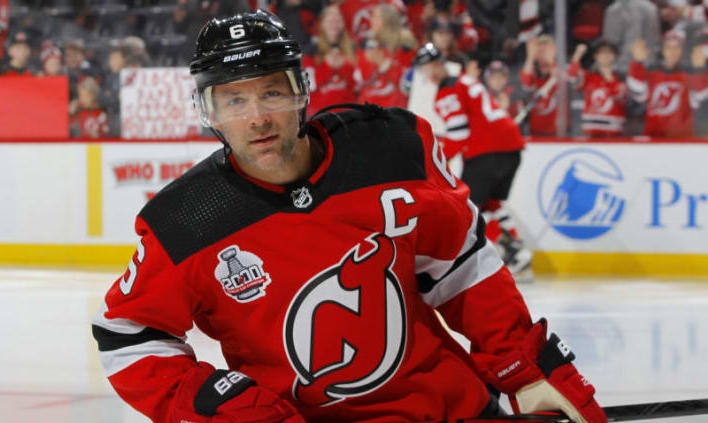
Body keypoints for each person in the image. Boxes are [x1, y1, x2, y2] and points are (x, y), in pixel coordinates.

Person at [92, 9, 606, 423]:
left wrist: (525, 368)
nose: (257, 118)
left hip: (452, 411)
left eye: (272, 91)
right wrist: (217, 403)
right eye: (233, 100)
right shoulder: (187, 219)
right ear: (210, 112)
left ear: (300, 92)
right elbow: (127, 335)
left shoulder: (390, 150)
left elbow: (463, 266)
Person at [422, 43, 532, 280]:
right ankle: (519, 253)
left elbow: (459, 134)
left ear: (440, 64)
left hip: (487, 150)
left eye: (430, 66)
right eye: (424, 68)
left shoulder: (447, 91)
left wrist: (435, 160)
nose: (428, 72)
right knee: (490, 204)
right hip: (511, 147)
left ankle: (511, 252)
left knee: (469, 206)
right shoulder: (463, 81)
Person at [627, 30, 708, 138]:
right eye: (669, 47)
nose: (673, 52)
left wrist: (699, 70)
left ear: (683, 50)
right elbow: (637, 93)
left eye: (677, 47)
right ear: (663, 50)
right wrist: (637, 63)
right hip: (653, 138)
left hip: (681, 140)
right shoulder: (651, 73)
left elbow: (701, 97)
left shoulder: (689, 74)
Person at [302, 5, 357, 116]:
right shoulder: (311, 51)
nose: (334, 23)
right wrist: (329, 65)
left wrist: (343, 65)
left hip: (348, 113)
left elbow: (358, 84)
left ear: (343, 23)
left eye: (337, 19)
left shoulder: (353, 49)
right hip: (320, 113)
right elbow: (309, 85)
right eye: (330, 19)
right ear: (322, 24)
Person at [568, 39, 627, 137]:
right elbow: (572, 78)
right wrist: (577, 56)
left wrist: (610, 80)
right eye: (602, 53)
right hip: (591, 131)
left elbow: (621, 98)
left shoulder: (621, 79)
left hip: (614, 132)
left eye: (609, 53)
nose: (605, 56)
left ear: (615, 56)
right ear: (596, 56)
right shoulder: (589, 77)